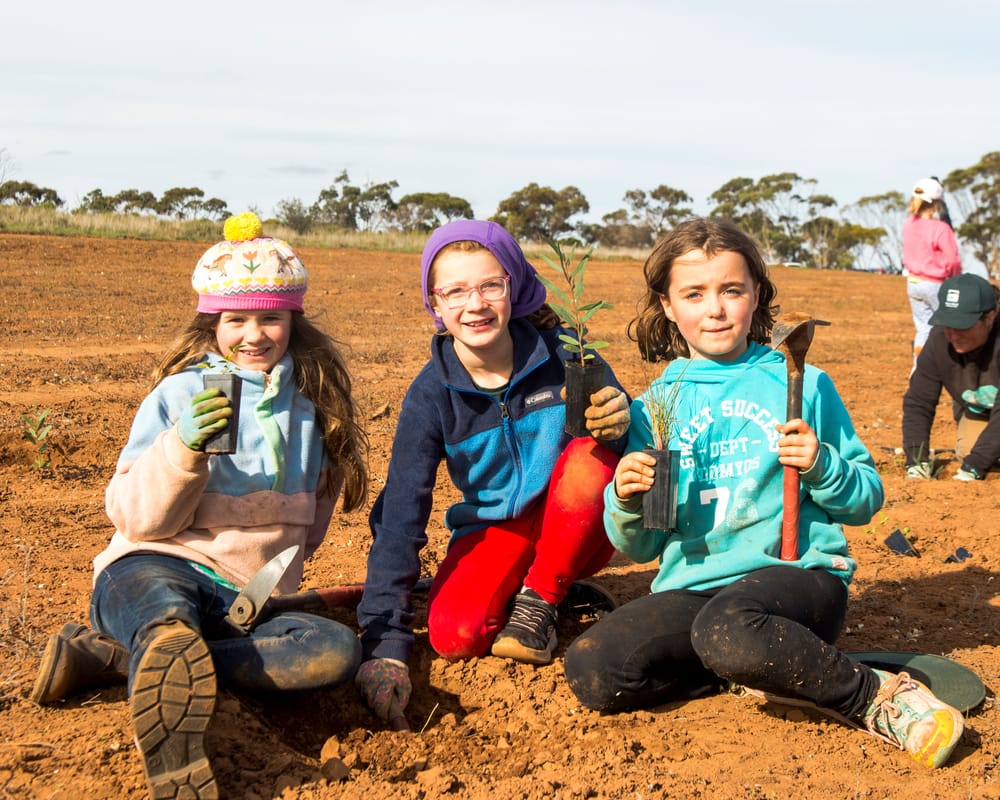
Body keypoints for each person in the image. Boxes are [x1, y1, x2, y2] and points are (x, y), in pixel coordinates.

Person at [563, 218, 965, 769]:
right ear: (667, 304)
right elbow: (642, 548)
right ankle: (756, 668)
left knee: (728, 628)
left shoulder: (800, 381)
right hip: (695, 591)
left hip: (798, 582)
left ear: (757, 294)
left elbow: (867, 498)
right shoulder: (654, 406)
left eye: (732, 290)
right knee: (595, 666)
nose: (716, 309)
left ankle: (874, 696)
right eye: (694, 294)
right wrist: (627, 499)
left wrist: (822, 464)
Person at [30, 212, 368, 798]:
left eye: (271, 318)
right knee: (164, 610)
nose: (254, 334)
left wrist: (272, 588)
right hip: (154, 563)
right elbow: (138, 520)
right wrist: (184, 449)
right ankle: (159, 665)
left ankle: (122, 661)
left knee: (333, 650)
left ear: (294, 320)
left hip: (249, 597)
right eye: (236, 319)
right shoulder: (178, 395)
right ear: (212, 322)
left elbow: (303, 534)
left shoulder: (314, 413)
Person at [355, 219, 630, 728]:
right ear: (434, 304)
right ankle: (544, 587)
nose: (474, 304)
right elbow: (400, 514)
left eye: (489, 285)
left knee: (591, 453)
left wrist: (620, 424)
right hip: (494, 526)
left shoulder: (566, 354)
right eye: (455, 291)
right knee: (454, 635)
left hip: (577, 521)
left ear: (515, 287)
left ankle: (543, 597)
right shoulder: (431, 394)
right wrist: (385, 645)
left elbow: (632, 450)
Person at [903, 272, 1000, 481]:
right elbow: (919, 402)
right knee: (969, 451)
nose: (954, 334)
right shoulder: (939, 340)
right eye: (948, 324)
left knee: (980, 458)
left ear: (990, 317)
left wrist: (973, 467)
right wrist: (916, 461)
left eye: (963, 326)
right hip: (982, 411)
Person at [902, 177, 962, 360]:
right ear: (937, 203)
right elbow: (952, 260)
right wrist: (956, 279)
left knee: (923, 329)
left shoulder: (908, 225)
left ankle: (918, 370)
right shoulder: (941, 228)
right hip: (935, 284)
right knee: (951, 327)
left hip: (913, 283)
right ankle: (951, 366)